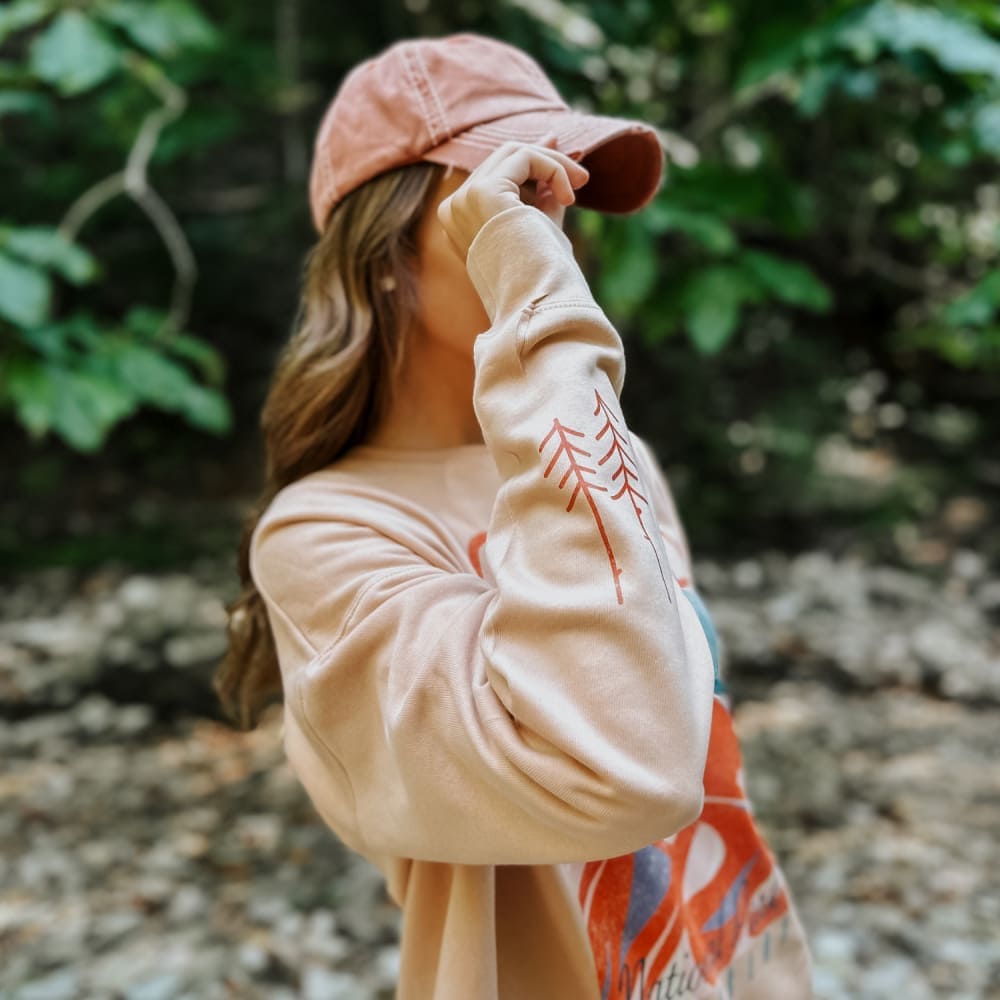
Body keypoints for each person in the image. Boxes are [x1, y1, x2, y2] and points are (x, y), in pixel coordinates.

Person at [215, 31, 815, 1000]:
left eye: (557, 203)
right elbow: (625, 774)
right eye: (517, 193)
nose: (553, 232)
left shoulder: (616, 465)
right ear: (382, 254)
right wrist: (535, 299)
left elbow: (699, 789)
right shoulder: (324, 535)